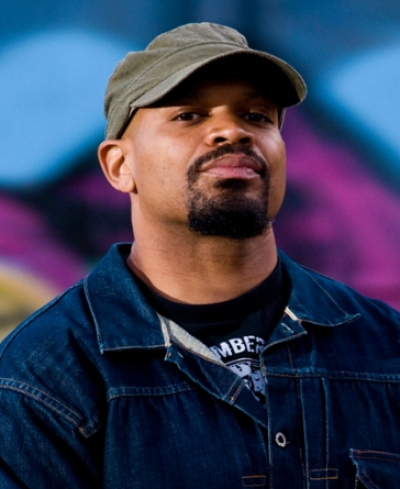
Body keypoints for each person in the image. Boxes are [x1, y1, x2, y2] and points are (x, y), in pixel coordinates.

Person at [0, 22, 399, 489]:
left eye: (257, 116)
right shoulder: (42, 378)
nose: (231, 131)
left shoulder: (385, 348)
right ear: (119, 165)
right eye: (189, 115)